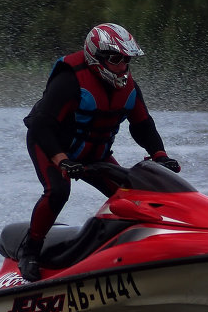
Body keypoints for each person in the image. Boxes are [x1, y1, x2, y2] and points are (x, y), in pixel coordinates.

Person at [19, 23, 180, 281]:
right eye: (115, 59)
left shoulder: (129, 87)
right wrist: (61, 160)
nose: (122, 67)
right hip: (51, 145)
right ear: (96, 57)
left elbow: (143, 125)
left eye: (126, 60)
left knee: (128, 195)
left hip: (96, 154)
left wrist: (160, 154)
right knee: (59, 191)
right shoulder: (69, 79)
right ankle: (30, 251)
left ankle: (131, 247)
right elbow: (41, 126)